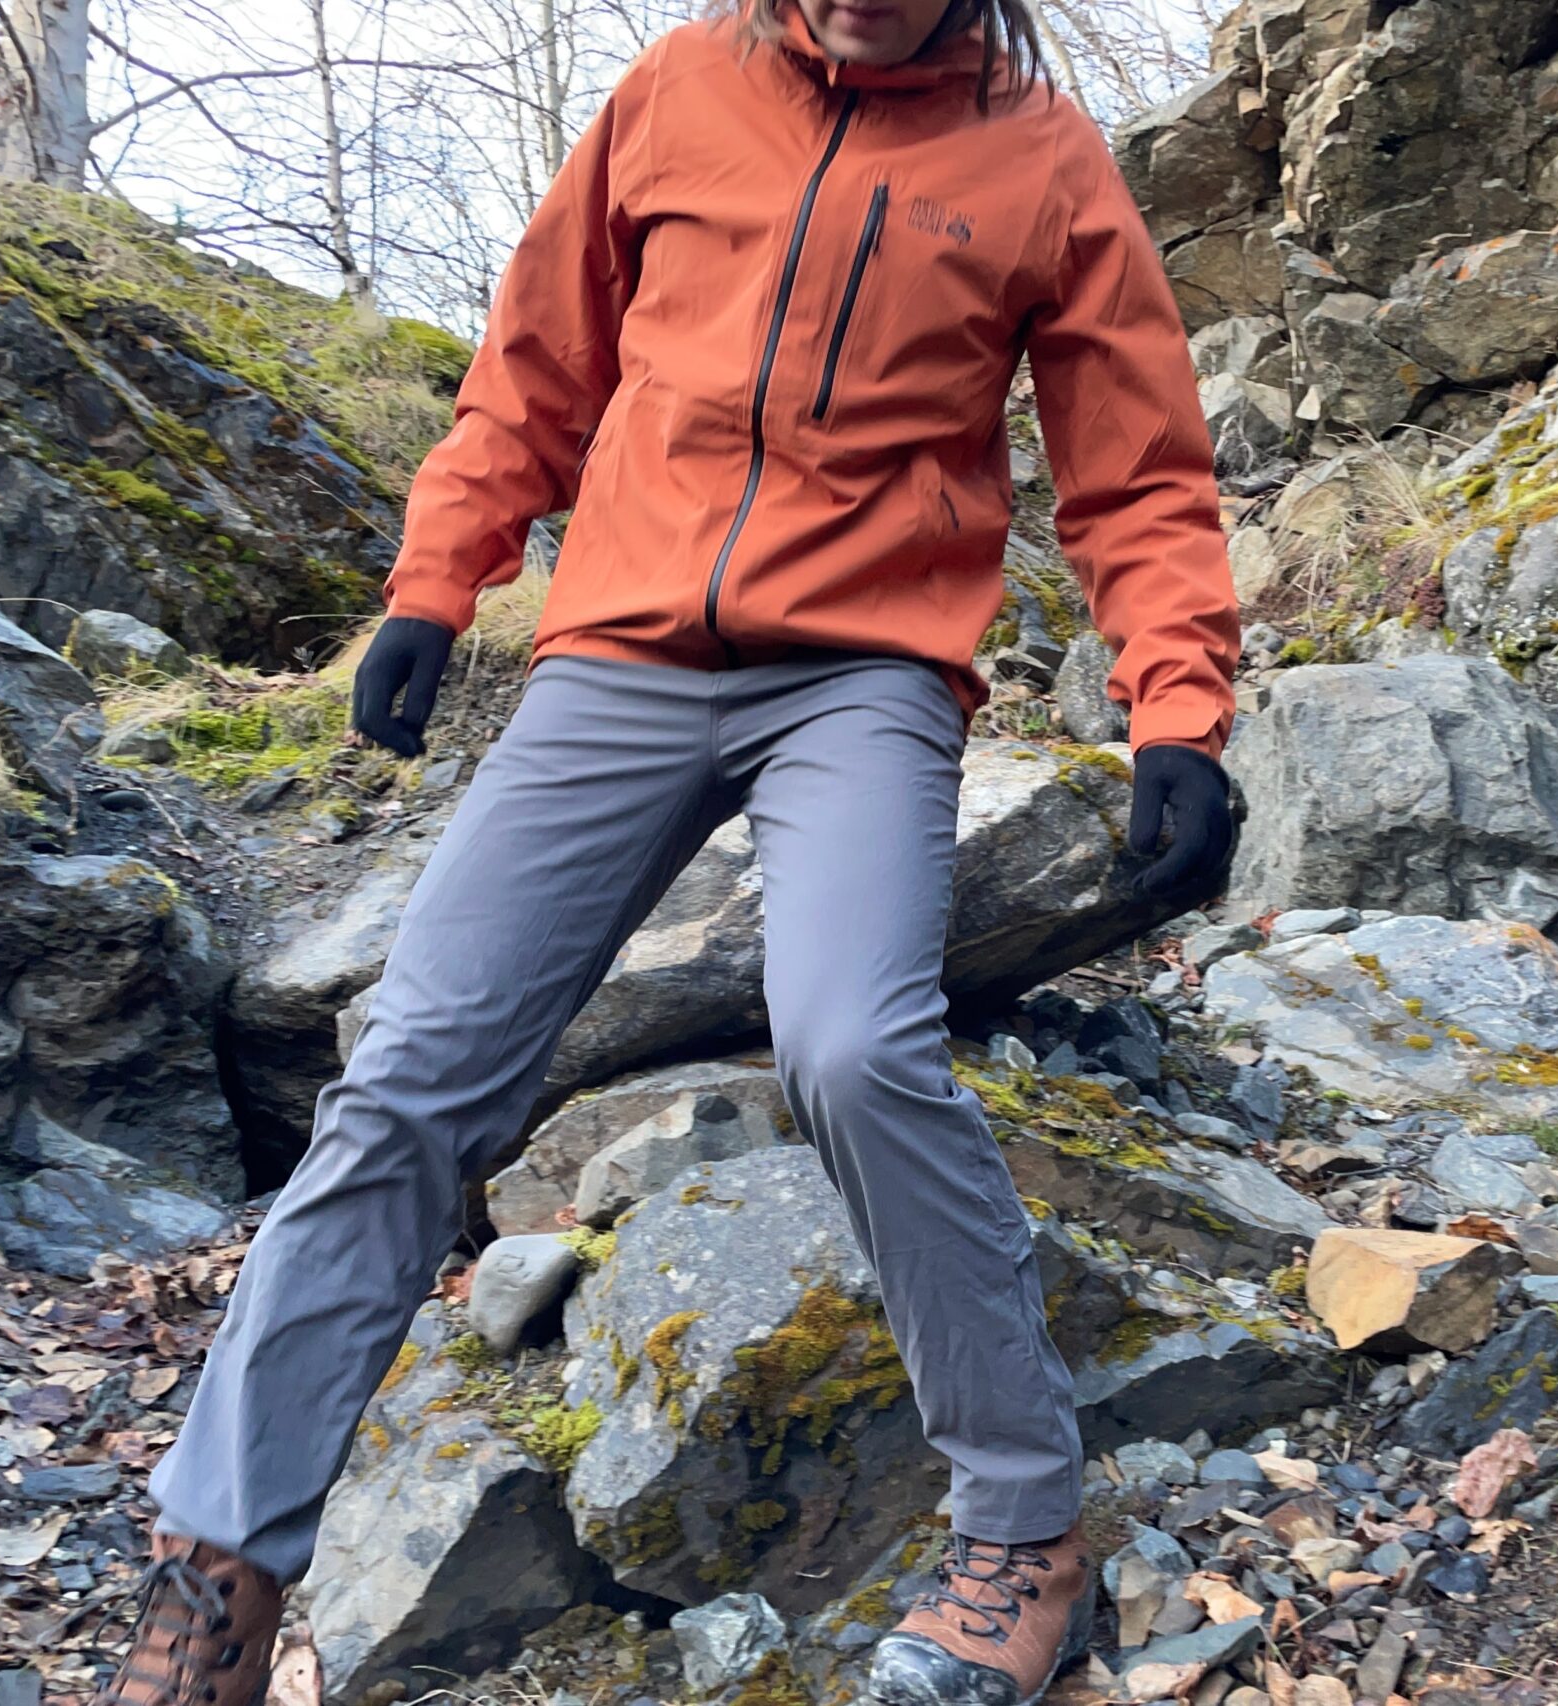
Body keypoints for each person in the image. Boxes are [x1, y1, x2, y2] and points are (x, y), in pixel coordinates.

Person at [95, 0, 1239, 1698]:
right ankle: (219, 1576)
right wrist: (437, 576)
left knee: (854, 1046)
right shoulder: (677, 88)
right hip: (618, 659)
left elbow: (1136, 470)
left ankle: (1023, 1530)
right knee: (409, 1071)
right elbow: (539, 366)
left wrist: (1179, 710)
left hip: (864, 673)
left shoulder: (1042, 158)